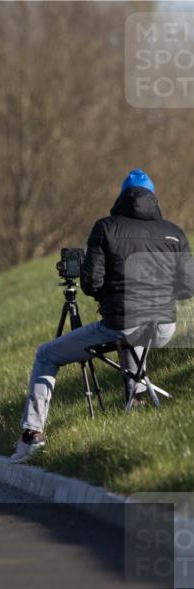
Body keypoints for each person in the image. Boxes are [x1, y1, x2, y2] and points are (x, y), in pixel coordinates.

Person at [12, 169, 194, 464]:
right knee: (134, 333)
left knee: (46, 354)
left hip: (123, 324)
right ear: (153, 197)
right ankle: (135, 404)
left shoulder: (106, 228)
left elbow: (91, 284)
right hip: (163, 327)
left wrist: (110, 293)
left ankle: (32, 436)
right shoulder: (173, 232)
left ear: (122, 196)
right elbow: (187, 288)